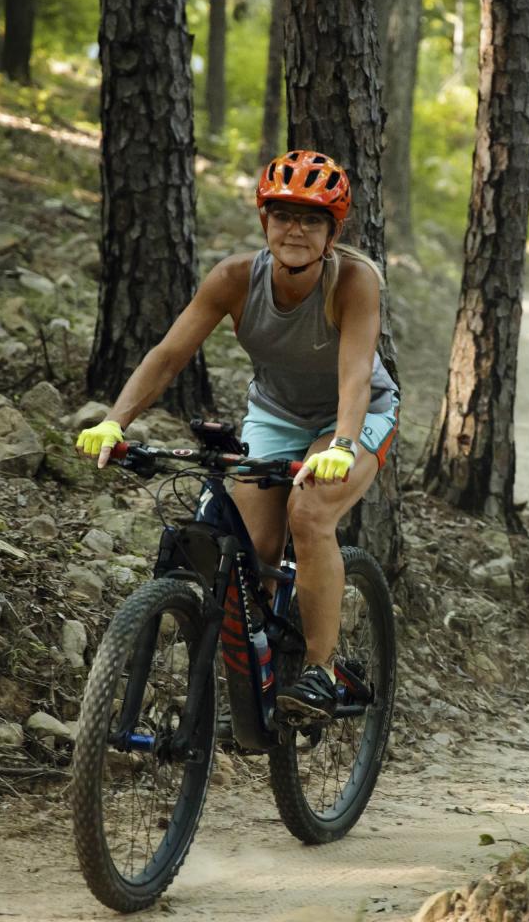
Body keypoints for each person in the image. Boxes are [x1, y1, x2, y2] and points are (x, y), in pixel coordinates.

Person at [75, 149, 399, 724]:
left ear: (333, 231)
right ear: (264, 221)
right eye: (283, 215)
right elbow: (169, 355)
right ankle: (262, 671)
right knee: (248, 549)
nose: (295, 229)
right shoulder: (233, 278)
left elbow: (354, 376)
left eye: (313, 219)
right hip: (276, 414)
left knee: (310, 513)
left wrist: (344, 445)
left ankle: (320, 671)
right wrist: (113, 421)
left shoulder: (354, 280)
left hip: (355, 415)